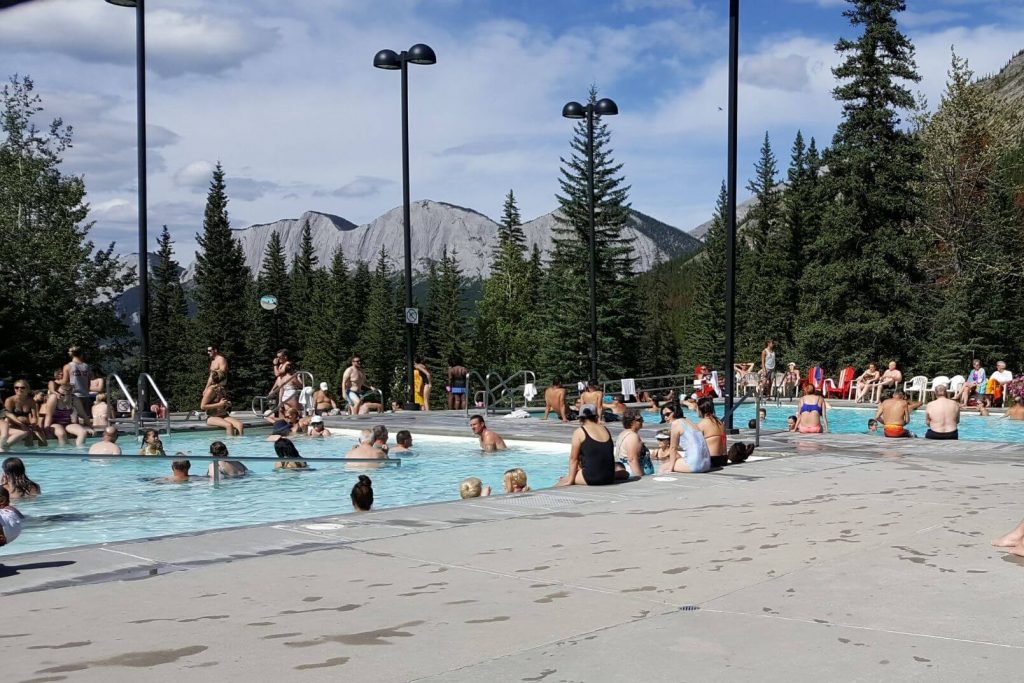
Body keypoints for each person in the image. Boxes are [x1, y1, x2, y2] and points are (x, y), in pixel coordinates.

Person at [556, 408, 623, 486]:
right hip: (609, 477)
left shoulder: (580, 432)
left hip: (592, 478)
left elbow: (573, 459)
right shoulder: (605, 429)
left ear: (580, 418)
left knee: (562, 481)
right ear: (596, 416)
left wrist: (570, 481)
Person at [662, 398, 721, 474]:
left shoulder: (675, 423)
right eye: (664, 415)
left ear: (675, 412)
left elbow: (673, 448)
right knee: (675, 459)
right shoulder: (689, 421)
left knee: (664, 467)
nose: (665, 418)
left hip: (695, 465)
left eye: (668, 414)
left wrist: (670, 469)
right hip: (707, 464)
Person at [4, 380, 47, 446]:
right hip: (12, 423)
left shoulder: (31, 401)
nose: (19, 389)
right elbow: (8, 415)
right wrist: (21, 424)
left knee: (41, 435)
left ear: (27, 389)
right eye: (16, 387)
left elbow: (34, 417)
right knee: (28, 434)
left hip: (26, 424)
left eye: (22, 387)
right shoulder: (10, 400)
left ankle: (43, 453)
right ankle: (28, 453)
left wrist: (34, 424)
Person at [202, 371, 244, 436]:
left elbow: (221, 402)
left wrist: (227, 404)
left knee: (240, 425)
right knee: (229, 425)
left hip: (223, 415)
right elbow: (203, 406)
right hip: (211, 417)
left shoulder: (222, 389)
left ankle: (240, 444)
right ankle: (231, 444)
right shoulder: (211, 390)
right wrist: (219, 405)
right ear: (223, 379)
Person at [61, 346, 95, 427]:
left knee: (74, 417)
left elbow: (64, 382)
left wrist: (56, 382)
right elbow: (90, 380)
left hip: (74, 395)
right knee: (85, 416)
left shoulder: (68, 366)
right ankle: (88, 433)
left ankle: (76, 434)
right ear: (81, 354)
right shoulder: (86, 366)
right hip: (85, 394)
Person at [614, 410, 652, 477]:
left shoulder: (623, 434)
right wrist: (641, 477)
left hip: (629, 471)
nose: (642, 421)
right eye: (639, 419)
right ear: (631, 422)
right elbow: (632, 460)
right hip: (633, 473)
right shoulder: (632, 437)